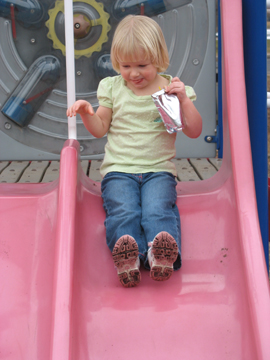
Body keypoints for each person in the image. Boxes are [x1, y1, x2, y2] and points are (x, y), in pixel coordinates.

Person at [67, 15, 202, 288]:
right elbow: (100, 128)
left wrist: (184, 99)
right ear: (117, 63)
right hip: (119, 171)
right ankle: (128, 257)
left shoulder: (172, 90)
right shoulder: (113, 88)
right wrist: (86, 112)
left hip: (158, 171)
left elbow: (194, 130)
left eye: (142, 65)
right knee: (124, 211)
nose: (134, 73)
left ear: (159, 58)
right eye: (126, 65)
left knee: (156, 211)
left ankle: (160, 254)